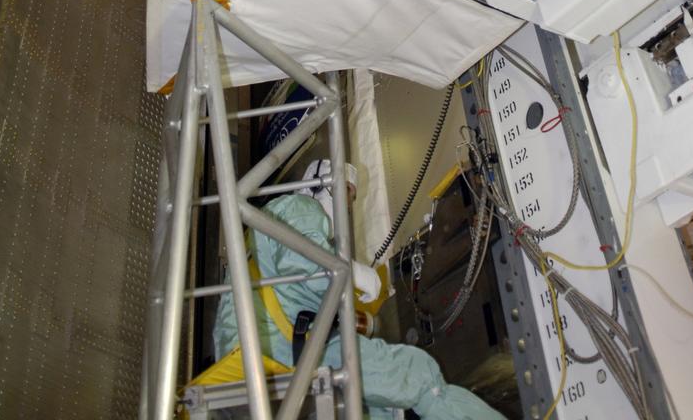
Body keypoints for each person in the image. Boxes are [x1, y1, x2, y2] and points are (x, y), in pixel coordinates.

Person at [212, 160, 506, 420]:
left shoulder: (263, 229)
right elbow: (306, 267)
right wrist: (352, 273)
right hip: (282, 352)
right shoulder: (300, 207)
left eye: (351, 197)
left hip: (262, 355)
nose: (347, 205)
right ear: (319, 185)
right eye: (345, 192)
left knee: (378, 407)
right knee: (416, 375)